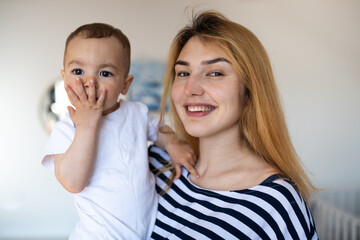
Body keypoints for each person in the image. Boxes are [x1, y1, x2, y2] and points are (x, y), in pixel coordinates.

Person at [149, 11, 318, 239]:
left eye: (215, 73)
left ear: (249, 92)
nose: (191, 88)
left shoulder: (275, 203)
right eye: (183, 72)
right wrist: (165, 138)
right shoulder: (155, 163)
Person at [42, 23, 198, 240]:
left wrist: (173, 144)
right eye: (78, 71)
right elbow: (72, 182)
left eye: (105, 73)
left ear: (125, 85)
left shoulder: (136, 112)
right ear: (64, 78)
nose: (90, 82)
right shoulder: (67, 128)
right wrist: (87, 125)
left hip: (146, 231)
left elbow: (159, 130)